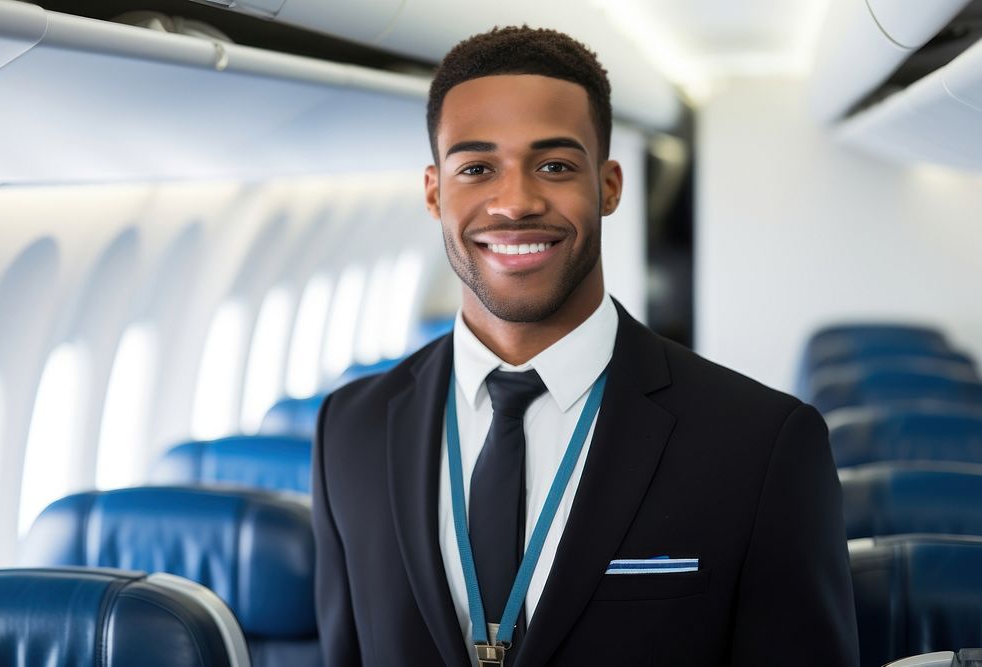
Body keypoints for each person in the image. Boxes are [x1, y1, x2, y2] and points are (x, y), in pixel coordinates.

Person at [312, 26, 859, 666]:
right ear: (435, 192)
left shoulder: (760, 444)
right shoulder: (350, 430)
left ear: (609, 186)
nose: (514, 203)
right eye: (476, 168)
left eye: (554, 165)